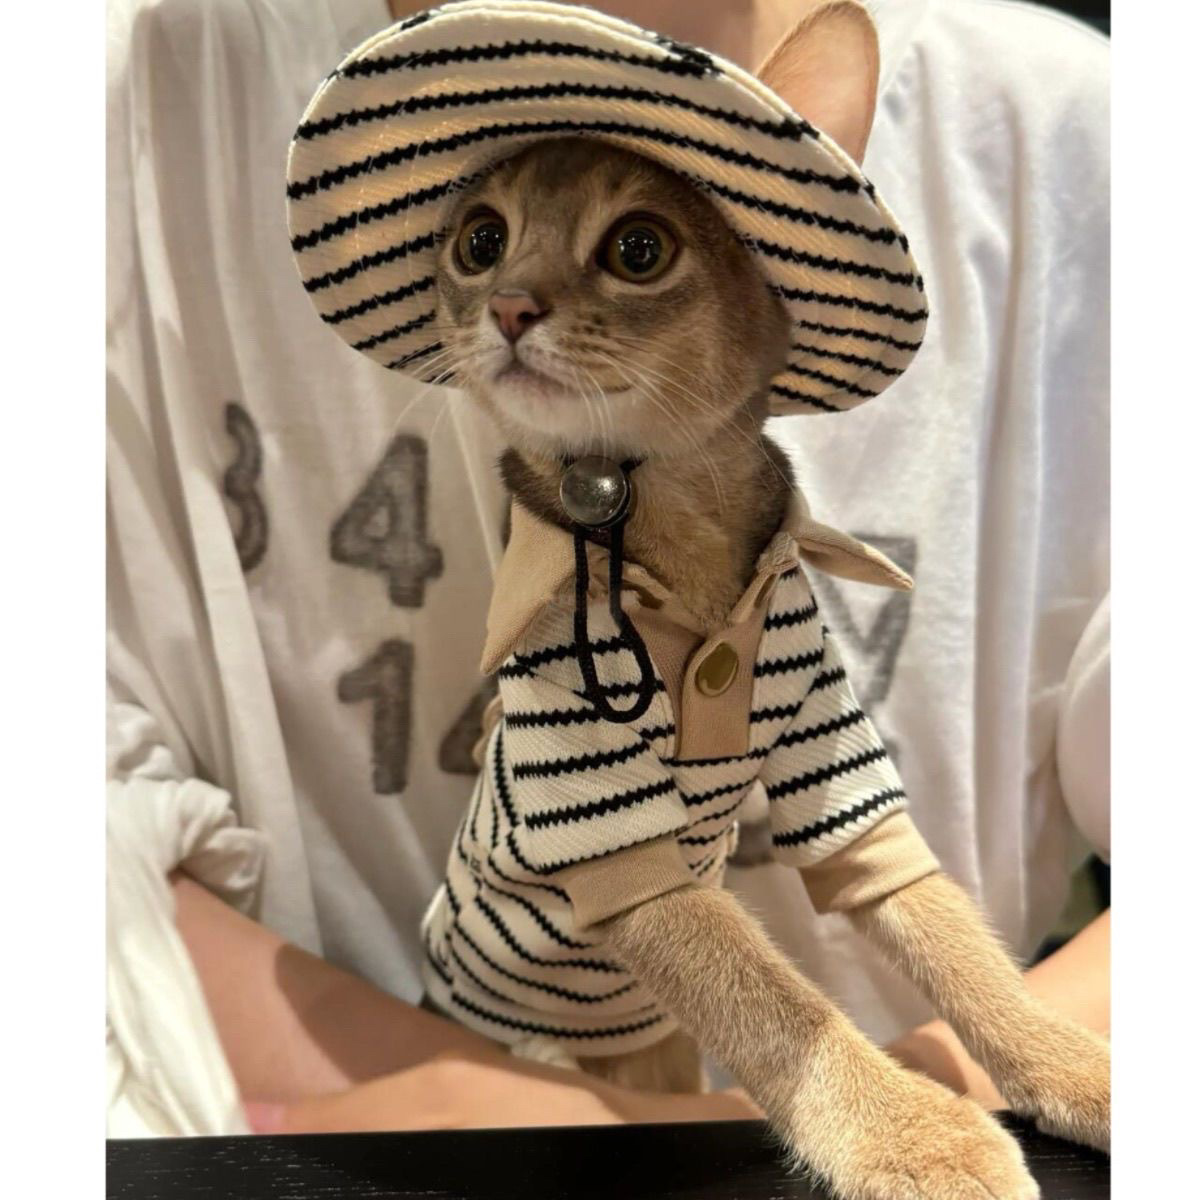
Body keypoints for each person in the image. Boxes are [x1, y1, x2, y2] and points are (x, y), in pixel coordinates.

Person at [106, 0, 1109, 1135]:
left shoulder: (1066, 126)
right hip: (483, 1034)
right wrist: (834, 1111)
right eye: (481, 247)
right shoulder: (568, 613)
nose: (515, 305)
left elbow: (863, 831)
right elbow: (630, 884)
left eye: (635, 252)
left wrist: (1023, 1057)